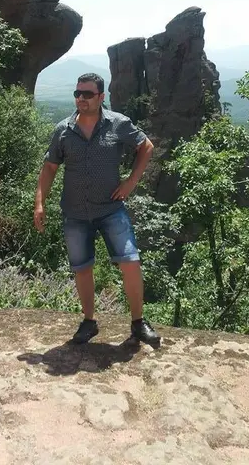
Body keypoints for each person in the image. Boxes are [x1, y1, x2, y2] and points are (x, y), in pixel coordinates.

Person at [34, 73, 161, 346]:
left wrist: (131, 182)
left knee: (130, 261)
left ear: (101, 97)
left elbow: (146, 147)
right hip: (75, 212)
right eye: (78, 93)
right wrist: (40, 203)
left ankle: (138, 323)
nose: (81, 98)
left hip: (111, 209)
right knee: (82, 268)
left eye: (88, 94)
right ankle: (89, 322)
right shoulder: (63, 130)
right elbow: (50, 167)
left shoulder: (118, 124)